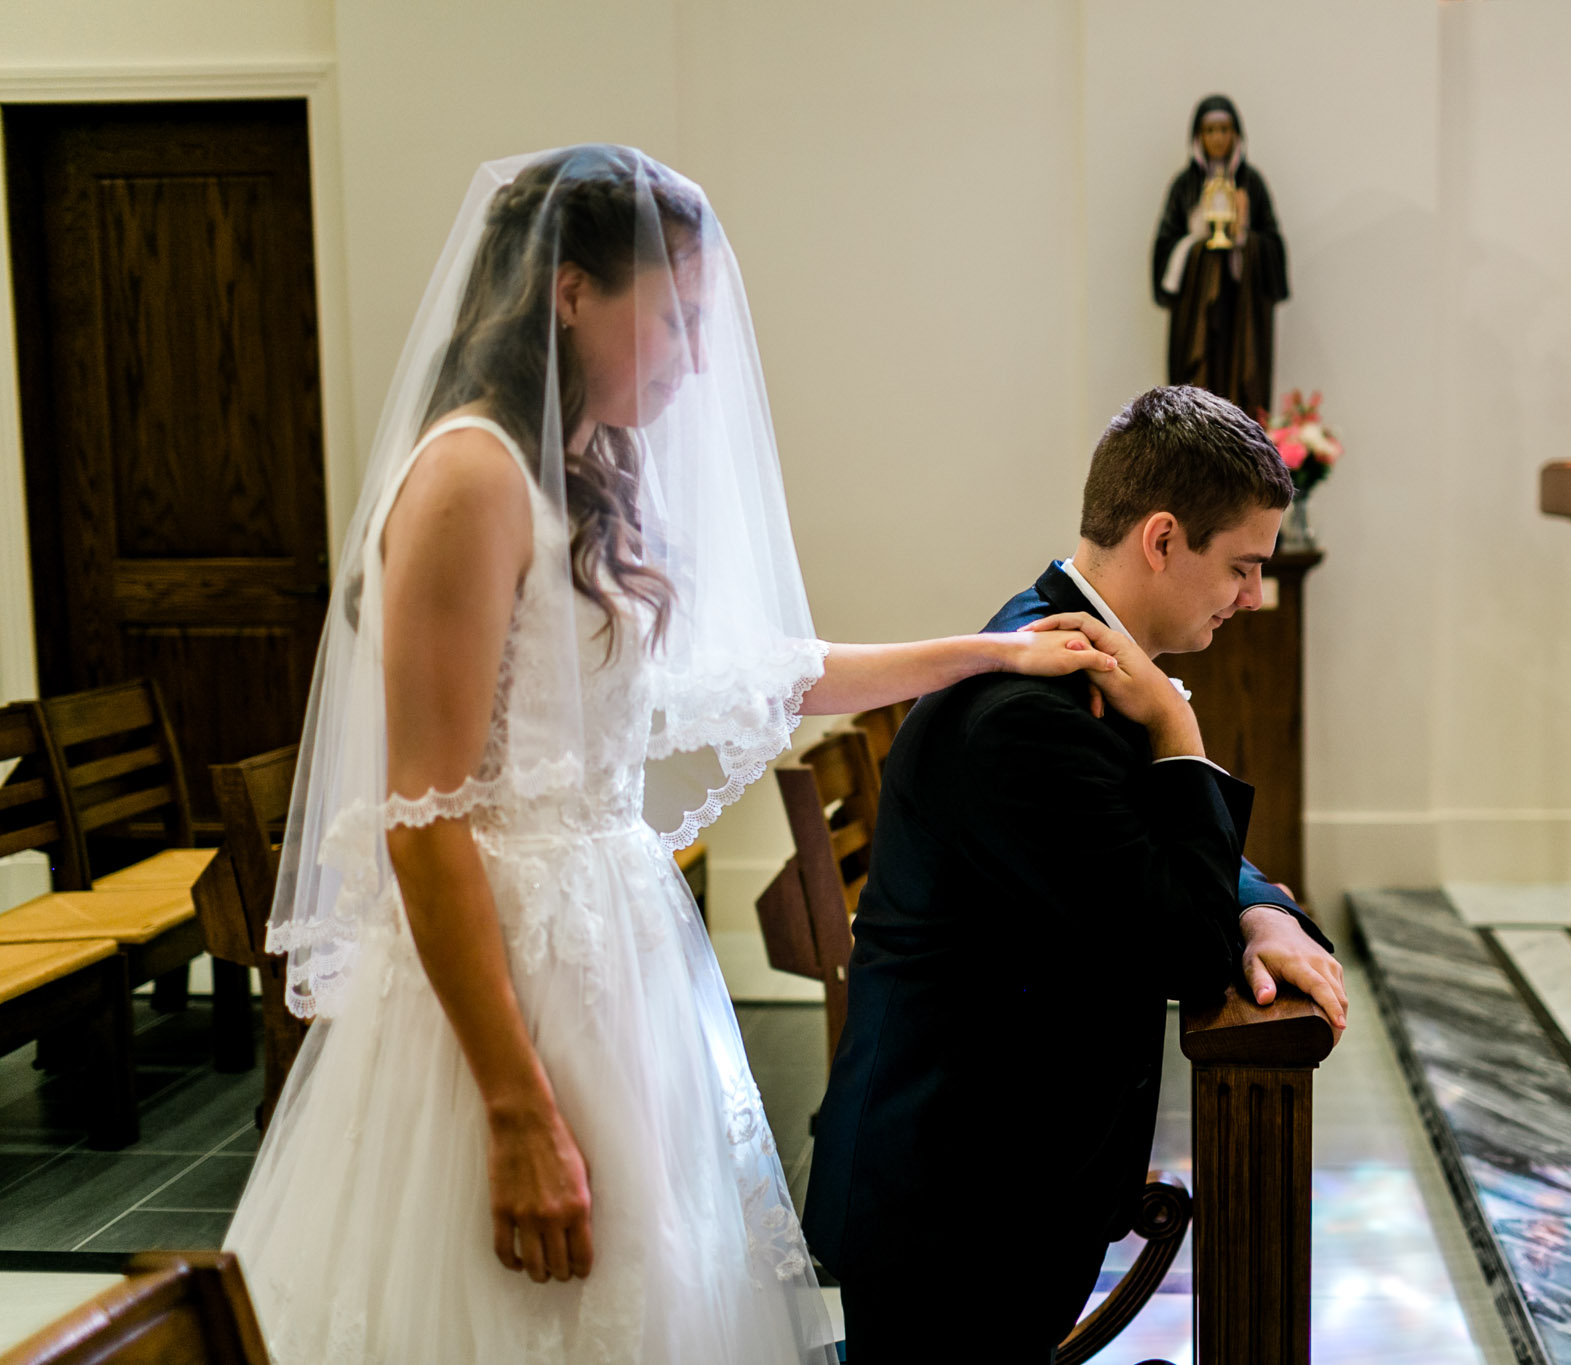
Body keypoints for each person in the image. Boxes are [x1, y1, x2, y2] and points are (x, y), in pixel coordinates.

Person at [224, 144, 1116, 1364]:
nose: (697, 358)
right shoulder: (468, 479)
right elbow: (423, 820)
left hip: (615, 957)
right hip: (499, 989)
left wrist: (988, 655)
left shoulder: (589, 470)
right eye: (677, 318)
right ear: (570, 291)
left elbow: (750, 672)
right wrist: (513, 1109)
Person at [804, 385, 1349, 1364]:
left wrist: (1261, 909)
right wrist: (1179, 729)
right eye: (1241, 567)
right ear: (1162, 538)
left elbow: (1139, 844)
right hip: (954, 1206)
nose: (1252, 598)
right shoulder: (1028, 714)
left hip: (992, 1172)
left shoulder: (1068, 653)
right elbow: (1180, 945)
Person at [1152, 94, 1290, 417]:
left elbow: (1274, 249)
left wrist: (1244, 238)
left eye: (1224, 129)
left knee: (1242, 394)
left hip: (1242, 313)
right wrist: (1195, 240)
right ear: (1198, 136)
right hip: (1195, 315)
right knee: (1196, 396)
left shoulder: (1251, 184)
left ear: (1236, 134)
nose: (1217, 138)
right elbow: (1163, 253)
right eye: (1210, 130)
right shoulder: (1184, 186)